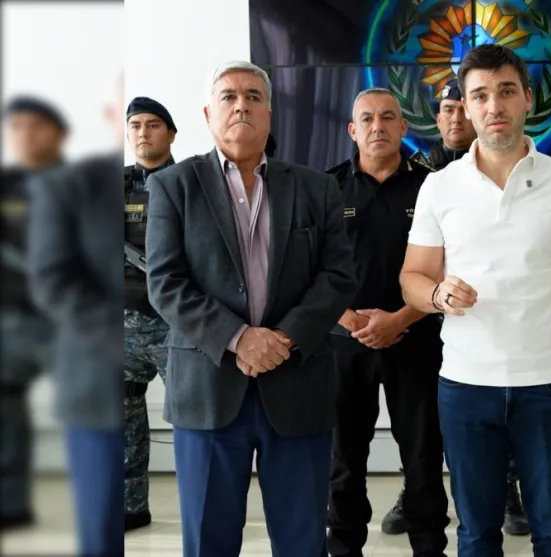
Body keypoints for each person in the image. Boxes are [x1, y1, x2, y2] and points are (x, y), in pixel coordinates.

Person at [398, 44, 551, 556]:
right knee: (476, 532)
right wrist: (437, 293)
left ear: (527, 99)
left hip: (550, 384)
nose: (494, 105)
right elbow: (412, 278)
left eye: (506, 91)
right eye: (480, 95)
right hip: (466, 385)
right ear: (466, 107)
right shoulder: (439, 187)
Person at [144, 60, 357, 557]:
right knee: (209, 542)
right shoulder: (174, 186)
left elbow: (338, 275)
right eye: (229, 96)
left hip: (297, 383)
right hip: (209, 389)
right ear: (208, 113)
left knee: (303, 542)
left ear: (269, 113)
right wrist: (239, 338)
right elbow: (165, 282)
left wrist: (283, 338)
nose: (241, 105)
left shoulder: (316, 187)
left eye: (253, 96)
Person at [387, 79, 529, 539]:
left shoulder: (509, 167)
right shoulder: (418, 175)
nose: (453, 117)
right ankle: (415, 492)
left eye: (458, 108)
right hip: (421, 321)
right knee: (421, 422)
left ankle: (506, 490)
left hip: (482, 320)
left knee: (496, 413)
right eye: (445, 109)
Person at [324, 88, 450, 557]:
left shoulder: (433, 186)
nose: (378, 126)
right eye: (367, 119)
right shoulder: (327, 188)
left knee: (422, 456)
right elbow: (307, 267)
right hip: (342, 343)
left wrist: (399, 320)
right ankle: (344, 547)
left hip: (416, 339)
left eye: (388, 117)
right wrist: (349, 319)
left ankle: (429, 546)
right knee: (343, 459)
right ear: (353, 130)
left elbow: (451, 266)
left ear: (403, 127)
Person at [26, 77, 127, 557]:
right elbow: (51, 279)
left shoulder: (177, 184)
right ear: (110, 115)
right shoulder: (68, 186)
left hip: (183, 368)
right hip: (94, 379)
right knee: (101, 523)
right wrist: (120, 337)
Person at [0, 95, 65, 531]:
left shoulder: (79, 184)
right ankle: (11, 505)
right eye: (16, 125)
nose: (24, 134)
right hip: (15, 320)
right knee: (6, 409)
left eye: (35, 125)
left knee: (94, 413)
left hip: (71, 321)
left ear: (57, 133)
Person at [122, 96, 176, 532]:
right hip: (121, 328)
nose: (143, 132)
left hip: (178, 324)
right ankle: (130, 509)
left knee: (196, 422)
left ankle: (204, 506)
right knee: (122, 425)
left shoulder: (192, 181)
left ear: (171, 133)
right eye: (136, 125)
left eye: (153, 124)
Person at [411, 81, 476, 171]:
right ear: (438, 121)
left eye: (464, 110)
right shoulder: (419, 172)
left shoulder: (493, 167)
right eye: (449, 111)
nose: (456, 119)